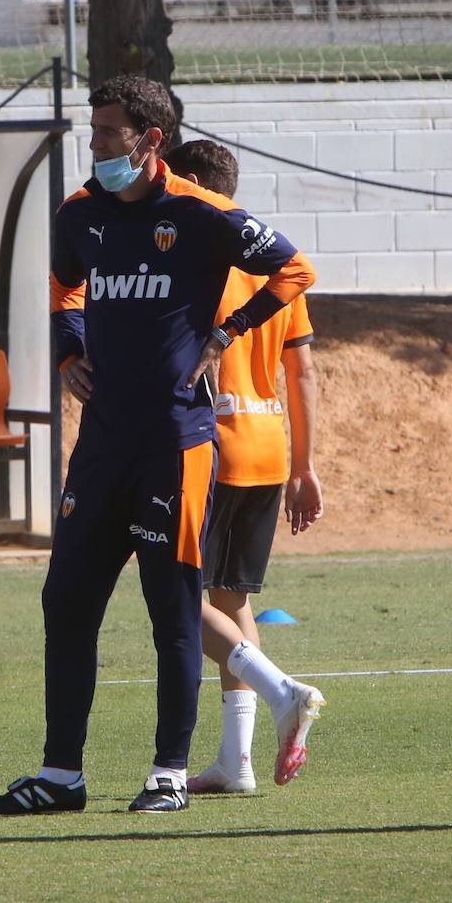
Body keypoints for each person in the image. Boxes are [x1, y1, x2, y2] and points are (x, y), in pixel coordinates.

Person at [0, 74, 322, 818]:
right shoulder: (80, 214)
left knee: (172, 607)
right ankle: (60, 774)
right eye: (93, 131)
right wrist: (70, 354)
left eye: (107, 133)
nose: (95, 146)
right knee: (66, 601)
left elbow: (295, 270)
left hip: (177, 442)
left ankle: (168, 772)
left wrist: (227, 332)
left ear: (149, 140)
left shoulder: (203, 214)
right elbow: (63, 288)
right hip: (100, 445)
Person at [163, 140, 325, 795]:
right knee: (233, 598)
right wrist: (306, 466)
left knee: (170, 593)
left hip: (211, 445)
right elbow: (302, 369)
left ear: (196, 183)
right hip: (267, 446)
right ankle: (238, 761)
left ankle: (283, 690)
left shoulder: (200, 256)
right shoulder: (275, 261)